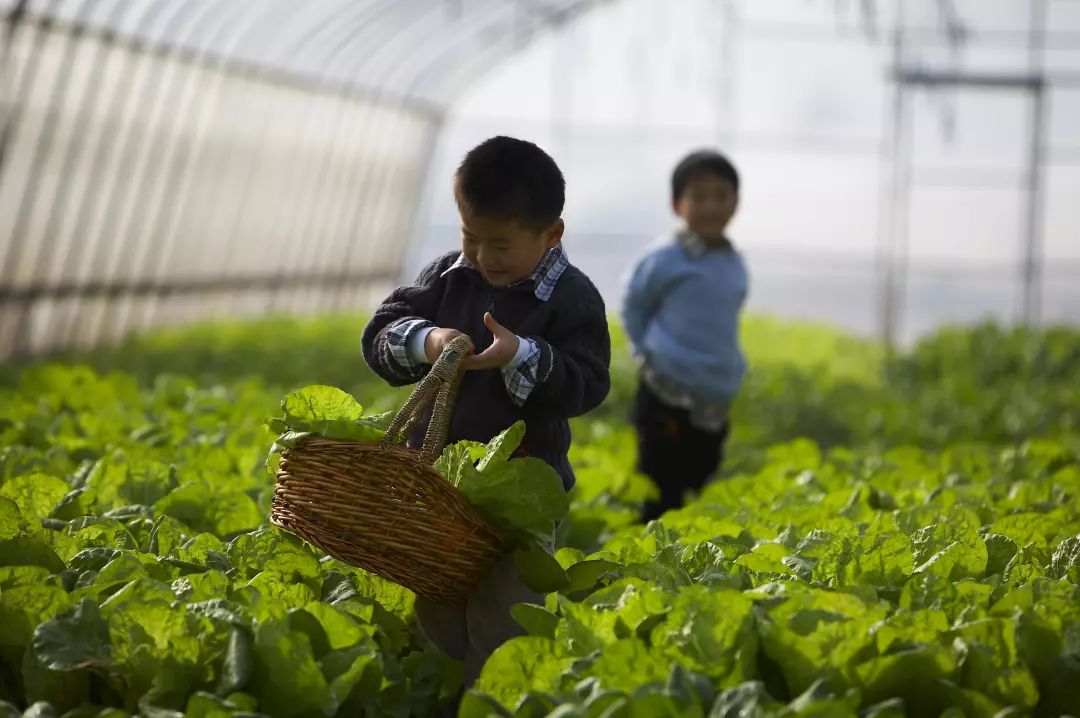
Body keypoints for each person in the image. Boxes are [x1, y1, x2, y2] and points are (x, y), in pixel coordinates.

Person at [361, 136, 611, 690]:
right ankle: (447, 694)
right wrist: (428, 341)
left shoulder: (571, 299)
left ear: (553, 234)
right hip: (438, 489)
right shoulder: (448, 277)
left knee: (506, 617)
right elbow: (380, 332)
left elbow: (589, 384)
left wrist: (521, 355)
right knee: (439, 609)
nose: (481, 257)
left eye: (500, 246)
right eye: (470, 237)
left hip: (520, 497)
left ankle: (494, 697)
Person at [621, 149, 749, 523]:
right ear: (678, 204)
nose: (711, 206)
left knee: (702, 476)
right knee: (660, 484)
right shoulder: (665, 258)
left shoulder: (734, 261)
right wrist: (646, 353)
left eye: (720, 196)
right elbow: (634, 304)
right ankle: (646, 561)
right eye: (699, 196)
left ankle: (688, 563)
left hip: (714, 395)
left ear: (735, 203)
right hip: (666, 391)